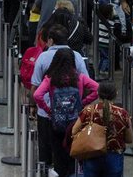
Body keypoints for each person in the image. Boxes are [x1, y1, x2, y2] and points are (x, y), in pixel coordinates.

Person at [30, 24, 90, 173]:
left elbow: (35, 87)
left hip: (47, 113)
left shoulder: (43, 57)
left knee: (45, 149)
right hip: (72, 114)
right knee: (69, 149)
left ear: (50, 40)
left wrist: (35, 107)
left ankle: (44, 172)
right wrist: (81, 103)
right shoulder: (76, 56)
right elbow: (88, 83)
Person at [34, 48, 98, 177]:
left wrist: (48, 110)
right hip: (76, 122)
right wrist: (83, 102)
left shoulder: (51, 79)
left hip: (56, 122)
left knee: (58, 156)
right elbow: (97, 89)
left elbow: (37, 95)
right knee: (74, 156)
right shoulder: (79, 78)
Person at [75, 82, 133, 177]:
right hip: (114, 157)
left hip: (91, 155)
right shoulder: (122, 113)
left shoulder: (88, 111)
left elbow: (74, 131)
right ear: (116, 94)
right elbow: (129, 139)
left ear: (97, 93)